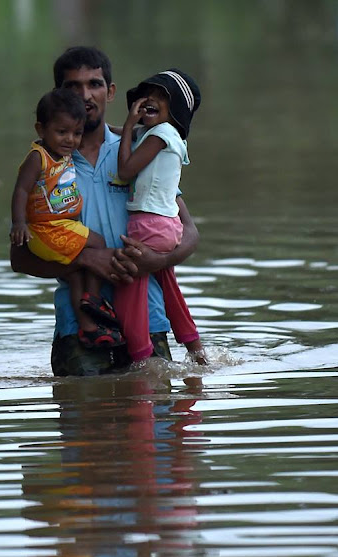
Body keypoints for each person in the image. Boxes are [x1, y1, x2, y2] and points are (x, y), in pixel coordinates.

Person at [10, 46, 201, 377]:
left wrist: (160, 260)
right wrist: (84, 258)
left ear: (110, 92)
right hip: (79, 330)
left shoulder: (144, 147)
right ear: (60, 95)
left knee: (156, 426)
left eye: (95, 84)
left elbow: (189, 231)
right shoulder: (45, 163)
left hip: (149, 318)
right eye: (73, 87)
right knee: (87, 426)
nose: (86, 95)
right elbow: (19, 259)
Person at [10, 87, 124, 349]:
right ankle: (93, 304)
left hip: (63, 226)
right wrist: (19, 223)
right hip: (47, 229)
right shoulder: (38, 158)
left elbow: (107, 131)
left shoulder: (64, 153)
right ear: (41, 130)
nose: (70, 139)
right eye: (62, 132)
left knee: (75, 274)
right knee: (97, 243)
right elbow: (21, 190)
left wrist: (127, 129)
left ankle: (87, 326)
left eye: (77, 133)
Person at [115, 69, 207, 364]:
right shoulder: (154, 134)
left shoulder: (162, 135)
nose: (151, 100)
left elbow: (126, 171)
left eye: (162, 97)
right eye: (148, 94)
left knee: (131, 293)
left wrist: (130, 123)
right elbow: (114, 133)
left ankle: (142, 360)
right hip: (166, 225)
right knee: (169, 287)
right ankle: (196, 350)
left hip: (149, 224)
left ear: (176, 108)